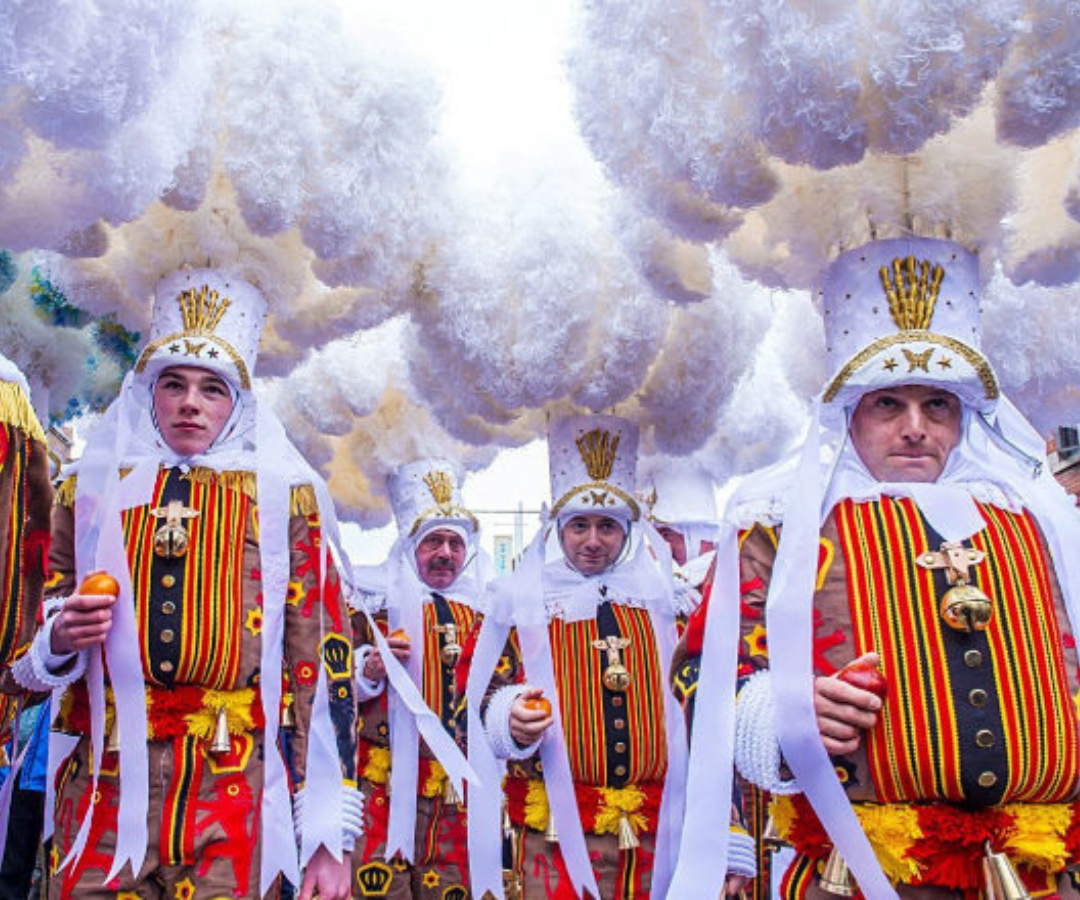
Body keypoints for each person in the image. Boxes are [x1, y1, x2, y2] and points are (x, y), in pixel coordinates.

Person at [675, 237, 1080, 898]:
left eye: (937, 405)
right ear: (850, 414)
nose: (916, 427)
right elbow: (700, 672)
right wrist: (777, 714)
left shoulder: (1038, 524)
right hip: (860, 872)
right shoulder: (780, 527)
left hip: (1039, 872)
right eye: (889, 404)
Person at [13, 269, 361, 900]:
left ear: (239, 404)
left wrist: (327, 840)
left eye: (212, 388)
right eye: (173, 384)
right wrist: (58, 638)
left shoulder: (285, 504)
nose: (190, 403)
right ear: (149, 394)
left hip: (232, 787)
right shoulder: (84, 493)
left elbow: (322, 669)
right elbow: (24, 645)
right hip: (105, 777)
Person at [465, 415, 754, 900]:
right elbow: (474, 694)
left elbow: (705, 716)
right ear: (558, 528)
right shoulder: (518, 603)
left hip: (662, 828)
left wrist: (729, 827)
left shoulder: (670, 603)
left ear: (626, 531)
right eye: (579, 525)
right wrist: (507, 718)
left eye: (607, 526)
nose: (594, 540)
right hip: (556, 827)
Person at [348, 459, 485, 900]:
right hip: (380, 785)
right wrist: (369, 669)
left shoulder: (489, 616)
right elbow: (328, 683)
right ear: (409, 547)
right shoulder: (371, 604)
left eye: (455, 543)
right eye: (432, 541)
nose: (445, 553)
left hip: (455, 792)